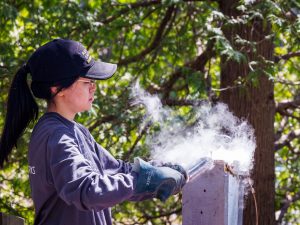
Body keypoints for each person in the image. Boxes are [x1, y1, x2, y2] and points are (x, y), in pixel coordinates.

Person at [0, 39, 187, 225]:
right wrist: (143, 179)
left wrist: (157, 172)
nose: (93, 87)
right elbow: (87, 189)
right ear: (58, 88)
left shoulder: (75, 131)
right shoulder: (56, 136)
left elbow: (117, 172)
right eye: (86, 81)